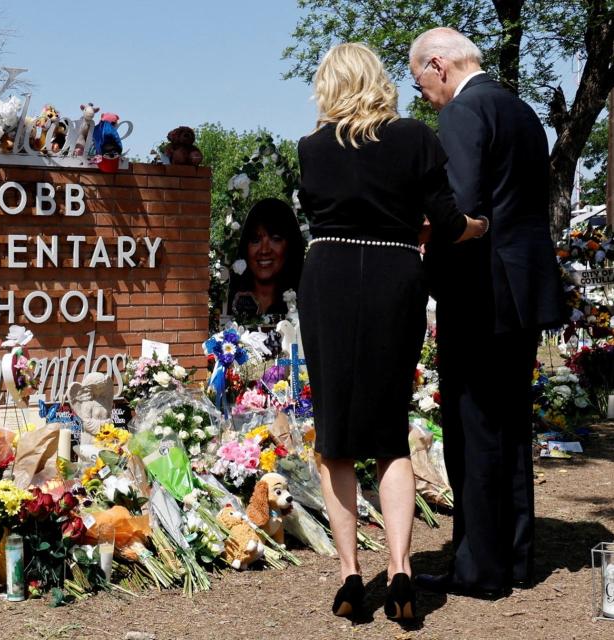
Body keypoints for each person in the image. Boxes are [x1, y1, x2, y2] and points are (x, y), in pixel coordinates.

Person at [297, 42, 487, 621]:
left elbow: (323, 209)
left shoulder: (311, 147)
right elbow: (448, 221)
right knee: (389, 431)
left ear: (329, 85)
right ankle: (401, 570)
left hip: (326, 279)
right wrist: (478, 228)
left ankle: (352, 577)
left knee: (335, 439)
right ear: (378, 80)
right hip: (393, 275)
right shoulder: (414, 138)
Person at [409, 28, 565, 598]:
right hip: (522, 291)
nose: (422, 94)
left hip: (479, 291)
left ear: (438, 65)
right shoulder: (522, 112)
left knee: (473, 428)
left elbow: (462, 210)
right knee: (511, 426)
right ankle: (518, 558)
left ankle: (480, 568)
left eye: (419, 80)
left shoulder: (462, 113)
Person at [227, 198, 305, 318]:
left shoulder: (307, 302)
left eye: (275, 239)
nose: (264, 250)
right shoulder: (231, 301)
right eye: (255, 240)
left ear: (290, 245)